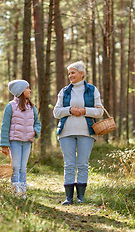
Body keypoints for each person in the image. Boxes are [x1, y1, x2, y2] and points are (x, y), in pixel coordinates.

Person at [53, 61, 104, 205]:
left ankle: (80, 197)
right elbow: (56, 112)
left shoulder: (92, 90)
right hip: (66, 132)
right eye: (69, 73)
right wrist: (69, 110)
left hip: (87, 132)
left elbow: (100, 111)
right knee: (69, 164)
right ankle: (68, 198)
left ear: (82, 74)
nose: (70, 76)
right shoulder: (64, 91)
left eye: (73, 73)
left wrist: (85, 111)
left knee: (82, 164)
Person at [0, 79, 41, 199]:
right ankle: (14, 192)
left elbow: (37, 123)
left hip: (27, 142)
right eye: (27, 88)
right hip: (15, 142)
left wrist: (34, 132)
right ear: (20, 91)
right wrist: (4, 145)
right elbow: (5, 126)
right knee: (16, 167)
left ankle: (22, 192)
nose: (30, 90)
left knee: (24, 167)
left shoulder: (31, 107)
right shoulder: (10, 107)